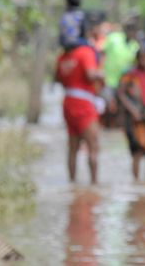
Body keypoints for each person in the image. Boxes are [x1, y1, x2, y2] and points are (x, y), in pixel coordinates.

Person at [55, 11, 105, 185]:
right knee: (93, 146)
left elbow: (57, 78)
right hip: (84, 103)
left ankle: (72, 183)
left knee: (73, 148)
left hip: (68, 103)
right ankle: (94, 184)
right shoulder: (86, 52)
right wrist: (101, 74)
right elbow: (91, 75)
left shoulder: (63, 55)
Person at [116, 46, 145, 181]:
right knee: (138, 150)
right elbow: (121, 93)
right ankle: (137, 182)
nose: (143, 60)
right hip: (136, 118)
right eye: (140, 57)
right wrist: (132, 110)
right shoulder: (129, 75)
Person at [101, 20, 140, 128]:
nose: (132, 34)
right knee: (108, 105)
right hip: (109, 79)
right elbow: (103, 53)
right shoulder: (113, 38)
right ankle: (108, 127)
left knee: (121, 107)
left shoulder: (135, 46)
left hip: (124, 82)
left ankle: (118, 128)